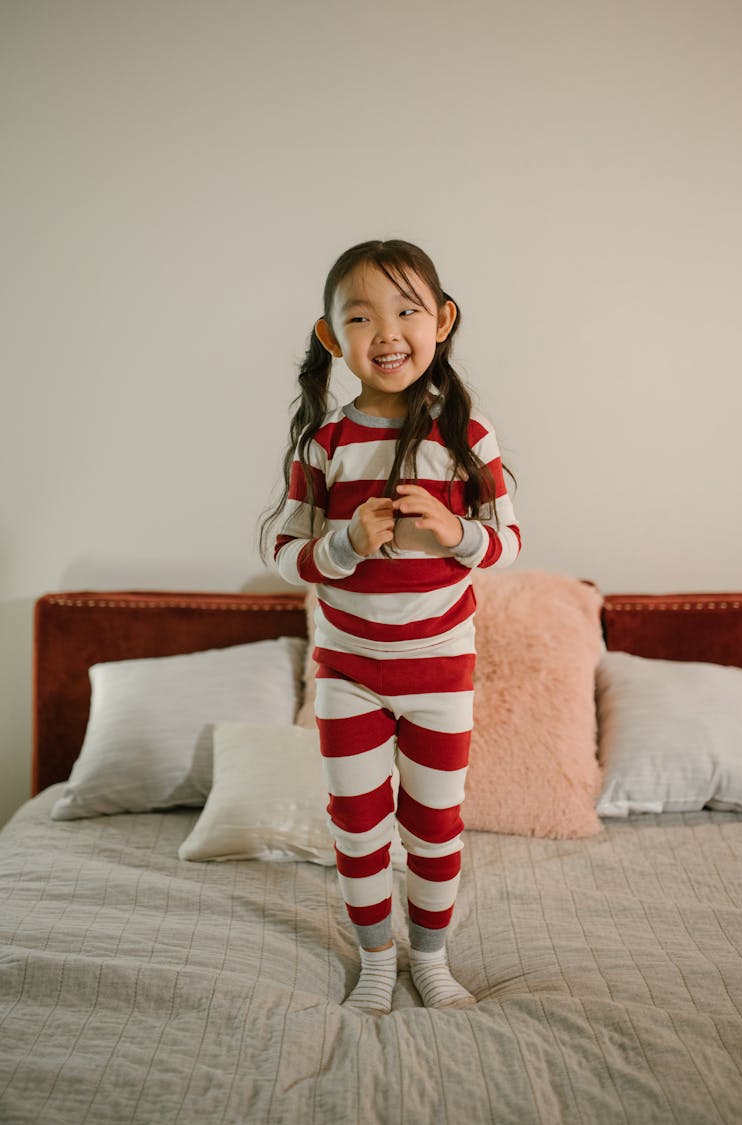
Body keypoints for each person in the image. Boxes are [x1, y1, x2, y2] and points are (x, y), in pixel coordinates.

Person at [261, 239, 521, 1014]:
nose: (387, 331)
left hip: (440, 671)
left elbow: (508, 542)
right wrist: (341, 544)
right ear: (332, 338)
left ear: (441, 320)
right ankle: (378, 958)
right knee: (358, 822)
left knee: (435, 824)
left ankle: (431, 959)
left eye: (407, 310)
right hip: (348, 672)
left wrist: (454, 533)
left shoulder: (469, 438)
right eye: (362, 315)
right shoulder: (325, 442)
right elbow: (281, 551)